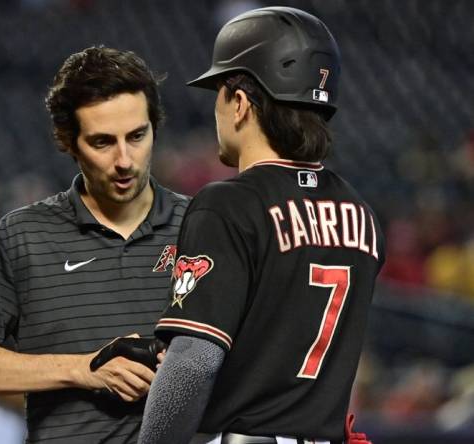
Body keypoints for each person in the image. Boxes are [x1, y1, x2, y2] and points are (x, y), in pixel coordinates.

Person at [139, 7, 384, 444]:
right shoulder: (360, 211)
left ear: (240, 102)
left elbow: (194, 362)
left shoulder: (228, 204)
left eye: (218, 91)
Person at [0, 46, 188, 443]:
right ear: (69, 142)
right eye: (102, 142)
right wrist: (84, 369)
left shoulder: (202, 228)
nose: (125, 160)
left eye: (137, 136)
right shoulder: (22, 236)